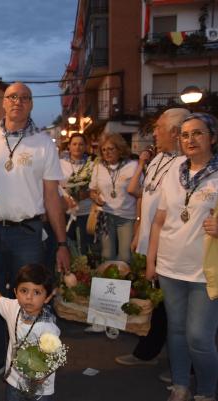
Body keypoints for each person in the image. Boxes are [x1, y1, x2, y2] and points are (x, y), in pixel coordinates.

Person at [0, 82, 69, 384]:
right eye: (12, 97)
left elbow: (52, 196)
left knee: (32, 299)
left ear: (31, 105)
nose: (18, 102)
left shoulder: (44, 143)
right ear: (3, 103)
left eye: (25, 98)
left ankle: (33, 361)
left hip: (28, 232)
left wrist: (62, 242)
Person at [147, 113, 218, 401]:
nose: (190, 140)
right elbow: (159, 220)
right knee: (175, 331)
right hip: (169, 267)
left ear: (212, 137)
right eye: (185, 135)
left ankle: (206, 390)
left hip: (204, 271)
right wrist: (151, 261)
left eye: (198, 133)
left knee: (200, 338)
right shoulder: (175, 170)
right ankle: (179, 385)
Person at [115, 108, 190, 368]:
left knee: (174, 310)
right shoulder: (157, 159)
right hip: (149, 243)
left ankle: (183, 365)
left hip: (170, 248)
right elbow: (142, 197)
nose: (154, 132)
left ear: (174, 132)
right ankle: (152, 353)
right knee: (160, 306)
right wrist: (139, 231)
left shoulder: (186, 165)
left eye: (158, 128)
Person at [0, 263, 59, 401]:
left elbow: (54, 358)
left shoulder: (48, 328)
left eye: (37, 292)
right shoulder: (13, 307)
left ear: (47, 298)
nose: (29, 297)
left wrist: (43, 374)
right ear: (15, 292)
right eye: (24, 290)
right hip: (14, 381)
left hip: (40, 389)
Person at [89, 133, 138, 263]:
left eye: (111, 149)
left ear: (120, 149)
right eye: (104, 150)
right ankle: (108, 283)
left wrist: (140, 218)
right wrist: (95, 197)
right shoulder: (98, 167)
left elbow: (140, 192)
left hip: (127, 217)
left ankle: (125, 282)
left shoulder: (132, 166)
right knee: (107, 255)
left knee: (126, 257)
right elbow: (92, 190)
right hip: (106, 216)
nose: (107, 153)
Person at [59, 134, 94, 255]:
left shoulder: (92, 165)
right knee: (68, 245)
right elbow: (56, 185)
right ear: (69, 146)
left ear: (85, 147)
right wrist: (67, 195)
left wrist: (86, 193)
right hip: (66, 211)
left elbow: (96, 185)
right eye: (74, 144)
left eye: (81, 144)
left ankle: (85, 271)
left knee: (85, 246)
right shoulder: (60, 163)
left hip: (86, 211)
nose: (77, 147)